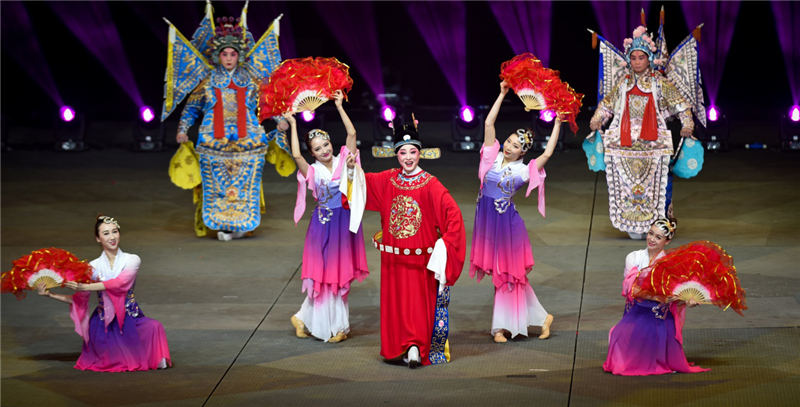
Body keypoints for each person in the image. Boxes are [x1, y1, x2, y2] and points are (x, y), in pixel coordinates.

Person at [345, 119, 466, 368]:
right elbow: (359, 187)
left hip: (421, 260)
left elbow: (453, 215)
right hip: (393, 260)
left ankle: (417, 346)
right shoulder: (388, 179)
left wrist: (444, 245)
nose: (408, 157)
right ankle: (400, 346)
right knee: (397, 302)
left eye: (413, 152)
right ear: (396, 154)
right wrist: (350, 170)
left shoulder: (431, 184)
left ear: (420, 153)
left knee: (418, 302)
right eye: (403, 152)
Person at [169, 13, 289, 241]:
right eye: (224, 54)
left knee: (245, 185)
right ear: (217, 55)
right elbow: (192, 107)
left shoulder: (251, 79)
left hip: (248, 142)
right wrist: (182, 129)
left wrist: (280, 118)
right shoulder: (208, 80)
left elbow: (266, 103)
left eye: (233, 54)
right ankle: (222, 224)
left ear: (239, 55)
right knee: (216, 185)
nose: (228, 58)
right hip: (214, 142)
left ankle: (242, 224)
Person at [470, 81, 559, 343]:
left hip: (507, 226)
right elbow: (489, 124)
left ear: (524, 151)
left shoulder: (523, 170)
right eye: (509, 141)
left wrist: (557, 122)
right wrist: (501, 94)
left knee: (505, 274)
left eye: (516, 145)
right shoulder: (491, 156)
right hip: (487, 223)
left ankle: (500, 327)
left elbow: (548, 153)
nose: (509, 146)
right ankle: (541, 318)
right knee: (510, 276)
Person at [589, 25, 696, 239]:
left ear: (649, 59)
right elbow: (607, 105)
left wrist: (687, 124)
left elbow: (682, 106)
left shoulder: (660, 84)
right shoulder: (623, 84)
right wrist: (597, 119)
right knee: (628, 186)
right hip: (624, 145)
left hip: (654, 145)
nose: (637, 62)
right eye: (633, 58)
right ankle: (633, 224)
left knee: (659, 186)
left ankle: (661, 225)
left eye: (641, 57)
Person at [284, 90, 368, 343]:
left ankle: (307, 319)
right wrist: (293, 124)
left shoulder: (345, 159)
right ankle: (333, 326)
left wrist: (339, 107)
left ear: (332, 143)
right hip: (323, 226)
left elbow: (352, 134)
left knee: (338, 273)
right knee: (325, 274)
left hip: (344, 223)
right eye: (317, 148)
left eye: (326, 145)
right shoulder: (313, 171)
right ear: (312, 153)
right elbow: (295, 155)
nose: (324, 150)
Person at [37, 216, 171, 372]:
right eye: (106, 233)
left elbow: (120, 283)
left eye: (115, 232)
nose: (112, 237)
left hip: (129, 316)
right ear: (97, 238)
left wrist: (85, 286)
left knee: (154, 327)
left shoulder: (132, 259)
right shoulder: (92, 267)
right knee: (114, 358)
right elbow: (79, 299)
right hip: (103, 322)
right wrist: (50, 294)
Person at [603, 218, 709, 376]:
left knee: (648, 357)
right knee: (619, 348)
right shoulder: (634, 257)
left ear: (667, 241)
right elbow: (633, 290)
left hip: (661, 318)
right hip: (637, 313)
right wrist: (661, 298)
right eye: (650, 233)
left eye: (658, 237)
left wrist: (688, 301)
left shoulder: (672, 263)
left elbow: (676, 297)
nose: (651, 239)